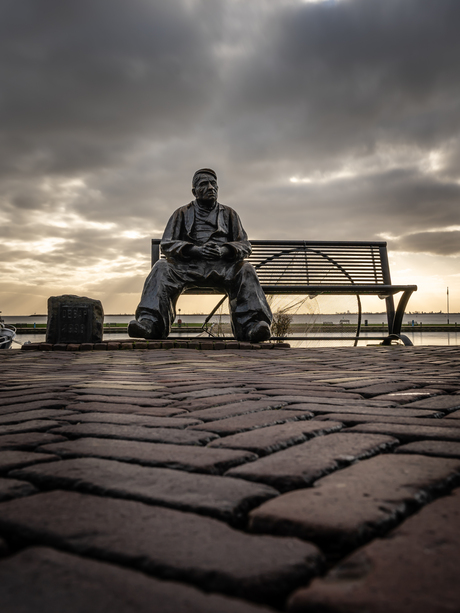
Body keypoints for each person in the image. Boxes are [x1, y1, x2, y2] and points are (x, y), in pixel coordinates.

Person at [128, 168, 272, 342]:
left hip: (223, 268)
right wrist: (194, 250)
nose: (211, 187)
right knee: (161, 266)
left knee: (246, 269)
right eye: (204, 184)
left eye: (213, 184)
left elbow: (245, 245)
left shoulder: (229, 214)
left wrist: (224, 250)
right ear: (194, 191)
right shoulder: (181, 213)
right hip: (188, 268)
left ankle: (252, 326)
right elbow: (166, 244)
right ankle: (151, 324)